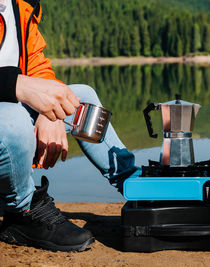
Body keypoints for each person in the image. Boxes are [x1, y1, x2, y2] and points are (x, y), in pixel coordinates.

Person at [0, 0, 137, 251]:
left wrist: (49, 112)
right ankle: (23, 211)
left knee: (80, 99)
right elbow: (17, 86)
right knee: (12, 121)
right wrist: (15, 84)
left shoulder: (21, 5)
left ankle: (136, 186)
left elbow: (37, 65)